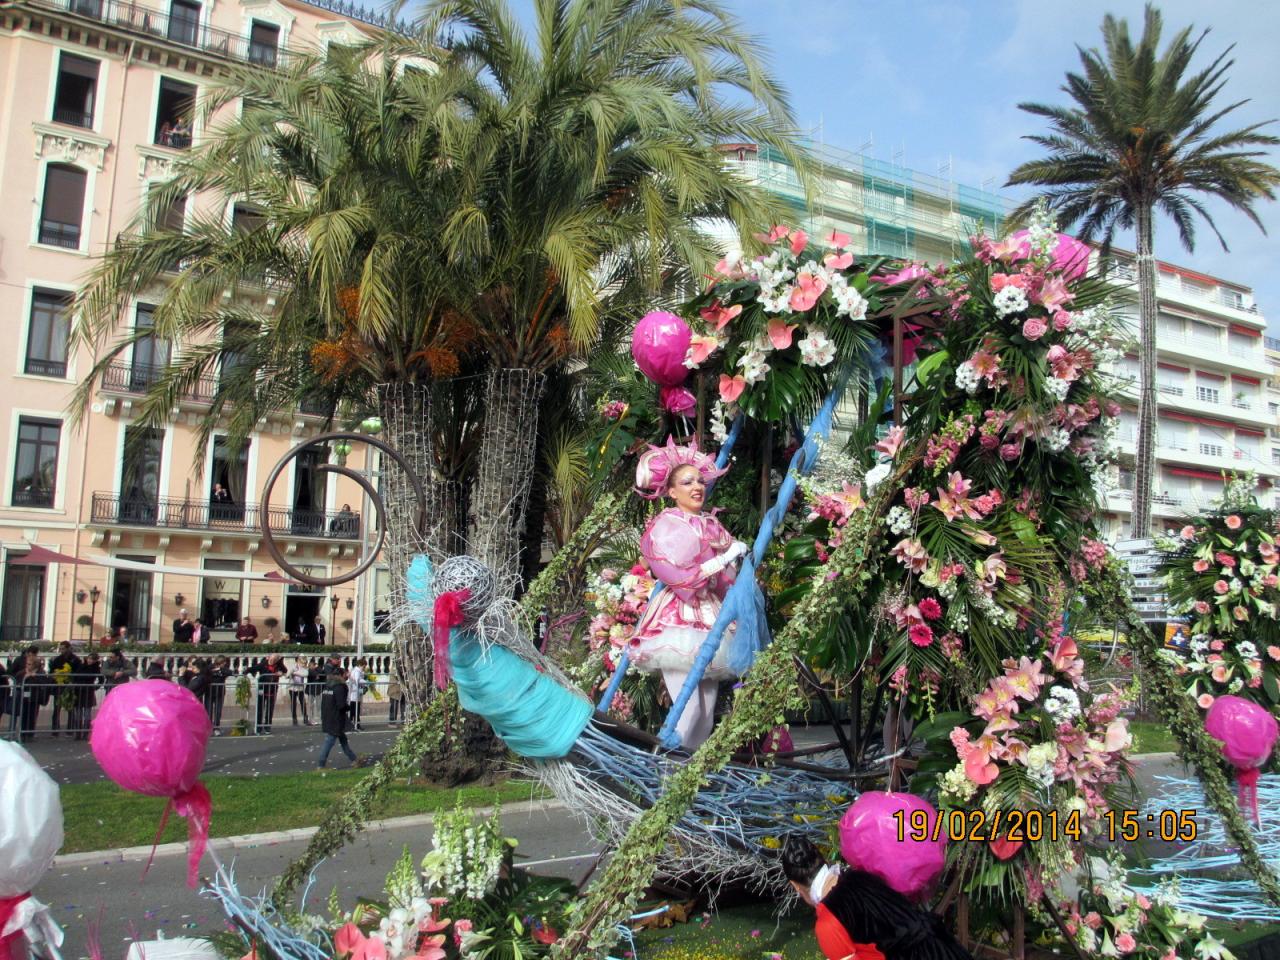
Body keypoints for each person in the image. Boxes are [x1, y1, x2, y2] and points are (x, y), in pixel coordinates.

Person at [627, 439, 748, 749]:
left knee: (706, 715)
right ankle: (664, 777)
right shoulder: (665, 525)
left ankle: (686, 783)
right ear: (671, 491)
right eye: (687, 482)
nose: (697, 487)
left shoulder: (712, 525)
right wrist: (723, 558)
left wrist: (735, 563)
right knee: (689, 708)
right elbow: (680, 577)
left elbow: (726, 580)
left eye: (700, 481)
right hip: (677, 620)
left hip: (709, 615)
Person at [780, 834, 972, 960]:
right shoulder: (861, 875)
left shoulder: (828, 922)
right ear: (823, 860)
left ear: (795, 886)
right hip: (944, 948)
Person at [318, 668, 358, 768]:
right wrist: (349, 707)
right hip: (336, 718)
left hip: (328, 716)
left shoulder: (328, 686)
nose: (347, 675)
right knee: (329, 741)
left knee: (343, 739)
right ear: (341, 675)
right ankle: (321, 764)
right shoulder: (340, 687)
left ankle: (354, 759)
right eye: (346, 673)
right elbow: (341, 705)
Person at [10, 651, 50, 742]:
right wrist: (25, 677)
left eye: (30, 664)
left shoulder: (40, 672)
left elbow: (44, 682)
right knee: (23, 715)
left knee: (32, 716)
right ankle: (23, 734)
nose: (28, 666)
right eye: (27, 664)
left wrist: (34, 676)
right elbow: (17, 680)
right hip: (24, 697)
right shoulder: (22, 672)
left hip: (34, 698)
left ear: (35, 665)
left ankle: (30, 734)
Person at [48, 640, 82, 737]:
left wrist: (71, 679)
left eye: (63, 649)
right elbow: (52, 671)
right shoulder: (57, 659)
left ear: (68, 648)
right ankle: (55, 731)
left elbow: (78, 672)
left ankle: (70, 730)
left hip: (69, 687)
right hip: (59, 687)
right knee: (56, 709)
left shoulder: (75, 659)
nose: (61, 651)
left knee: (70, 709)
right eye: (60, 649)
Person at [249, 653, 285, 731]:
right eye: (271, 659)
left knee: (270, 709)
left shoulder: (278, 665)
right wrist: (245, 672)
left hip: (272, 689)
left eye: (274, 660)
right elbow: (253, 668)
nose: (272, 661)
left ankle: (267, 726)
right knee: (260, 708)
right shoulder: (263, 664)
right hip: (262, 689)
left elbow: (285, 670)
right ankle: (258, 726)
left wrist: (280, 669)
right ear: (268, 658)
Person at [72, 652, 103, 740]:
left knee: (87, 713)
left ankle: (85, 733)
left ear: (95, 660)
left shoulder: (96, 668)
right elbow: (75, 676)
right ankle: (78, 733)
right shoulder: (81, 666)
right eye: (89, 658)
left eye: (92, 659)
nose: (90, 660)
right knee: (78, 713)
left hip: (88, 691)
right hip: (78, 691)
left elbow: (101, 679)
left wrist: (95, 687)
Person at [209, 656, 233, 734]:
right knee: (209, 711)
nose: (225, 664)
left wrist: (220, 669)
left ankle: (216, 728)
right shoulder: (210, 667)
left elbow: (230, 672)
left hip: (220, 692)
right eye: (224, 663)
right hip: (210, 692)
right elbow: (204, 672)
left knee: (218, 711)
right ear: (220, 662)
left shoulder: (224, 669)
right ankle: (208, 728)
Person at [288, 657, 311, 725]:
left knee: (303, 703)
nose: (303, 664)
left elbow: (306, 674)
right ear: (298, 661)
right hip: (292, 688)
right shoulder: (293, 667)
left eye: (304, 662)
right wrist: (293, 672)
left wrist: (296, 673)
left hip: (300, 688)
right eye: (302, 662)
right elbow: (288, 675)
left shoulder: (304, 668)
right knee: (293, 704)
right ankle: (294, 719)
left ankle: (305, 718)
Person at [347, 657, 366, 730]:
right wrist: (366, 682)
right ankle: (354, 725)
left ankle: (355, 724)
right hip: (354, 694)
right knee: (354, 710)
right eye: (364, 666)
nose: (364, 667)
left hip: (355, 693)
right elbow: (357, 680)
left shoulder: (356, 671)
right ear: (361, 665)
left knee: (354, 710)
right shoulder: (357, 671)